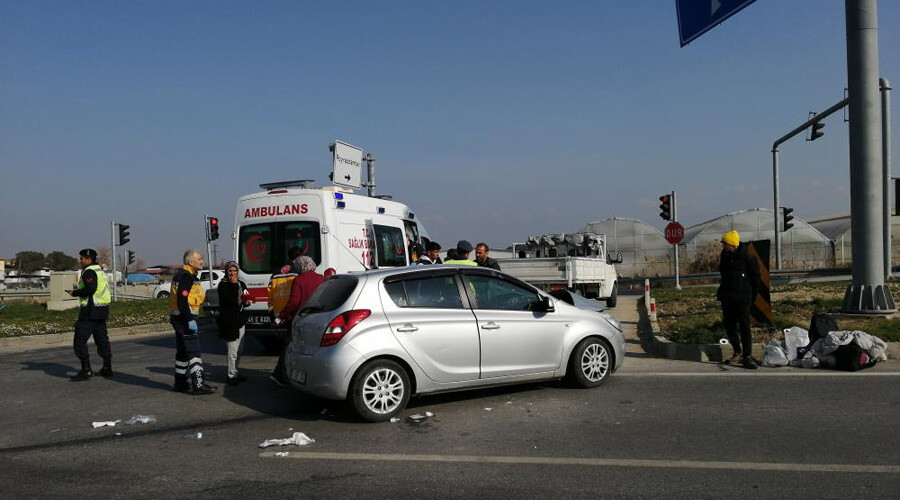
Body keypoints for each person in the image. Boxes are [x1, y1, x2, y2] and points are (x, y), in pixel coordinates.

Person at [270, 255, 325, 386]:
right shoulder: (322, 279)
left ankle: (280, 374)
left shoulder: (299, 280)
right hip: (320, 320)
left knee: (289, 345)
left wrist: (281, 316)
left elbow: (294, 303)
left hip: (302, 320)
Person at [170, 249, 216, 394]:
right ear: (191, 262)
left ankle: (180, 383)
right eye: (200, 259)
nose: (202, 261)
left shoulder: (183, 274)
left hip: (178, 318)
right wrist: (190, 319)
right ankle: (198, 384)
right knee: (194, 352)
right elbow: (182, 300)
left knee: (182, 353)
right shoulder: (186, 276)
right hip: (184, 319)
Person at [717, 230, 762, 370]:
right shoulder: (725, 256)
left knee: (744, 327)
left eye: (725, 244)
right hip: (727, 297)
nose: (723, 246)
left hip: (742, 298)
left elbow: (756, 279)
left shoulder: (747, 258)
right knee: (730, 326)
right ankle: (737, 352)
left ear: (733, 244)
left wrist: (751, 297)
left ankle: (747, 356)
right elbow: (723, 276)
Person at [66, 249, 112, 381]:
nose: (80, 261)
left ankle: (86, 370)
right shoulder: (99, 270)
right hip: (102, 310)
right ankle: (107, 368)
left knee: (79, 341)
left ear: (88, 259)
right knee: (102, 340)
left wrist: (75, 293)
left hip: (90, 312)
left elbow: (90, 289)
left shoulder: (89, 272)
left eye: (82, 259)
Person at [217, 261, 251, 386]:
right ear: (226, 272)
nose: (233, 273)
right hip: (228, 322)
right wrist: (233, 284)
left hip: (240, 320)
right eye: (230, 271)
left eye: (235, 271)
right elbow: (229, 300)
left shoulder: (242, 283)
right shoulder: (223, 285)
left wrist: (247, 302)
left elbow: (246, 297)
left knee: (240, 349)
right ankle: (231, 375)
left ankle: (235, 371)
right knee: (232, 350)